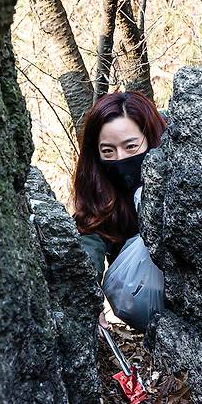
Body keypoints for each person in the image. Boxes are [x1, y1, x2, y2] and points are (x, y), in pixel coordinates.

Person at [73, 91, 167, 329]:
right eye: (108, 151)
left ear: (150, 138)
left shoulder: (180, 162)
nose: (120, 158)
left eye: (131, 146)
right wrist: (86, 298)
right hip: (138, 298)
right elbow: (89, 237)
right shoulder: (100, 186)